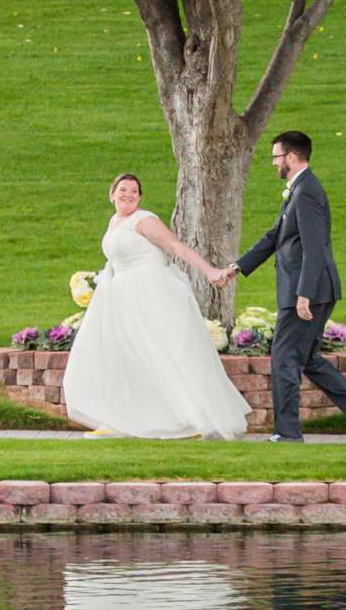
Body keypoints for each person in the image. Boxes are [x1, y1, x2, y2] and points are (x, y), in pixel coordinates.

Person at [63, 173, 250, 440]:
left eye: (134, 191)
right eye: (123, 189)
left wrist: (209, 271)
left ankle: (191, 418)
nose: (128, 194)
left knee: (161, 352)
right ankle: (125, 420)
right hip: (123, 297)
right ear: (112, 194)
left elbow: (174, 246)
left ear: (139, 198)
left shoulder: (144, 220)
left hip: (151, 292)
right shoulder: (115, 222)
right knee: (128, 356)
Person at [224, 131, 346, 444]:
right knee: (306, 358)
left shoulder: (306, 191)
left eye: (276, 157)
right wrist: (238, 267)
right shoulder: (299, 190)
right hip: (314, 289)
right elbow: (275, 236)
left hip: (307, 291)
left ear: (291, 157)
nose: (274, 164)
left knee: (284, 357)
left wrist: (303, 294)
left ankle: (287, 433)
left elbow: (314, 247)